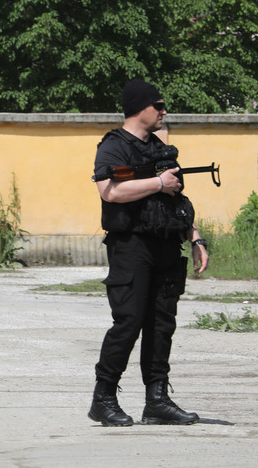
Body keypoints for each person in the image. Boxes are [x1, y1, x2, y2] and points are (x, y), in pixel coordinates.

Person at [88, 79, 208, 427]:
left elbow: (177, 199)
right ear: (140, 108)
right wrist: (157, 183)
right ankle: (103, 398)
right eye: (159, 105)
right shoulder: (113, 147)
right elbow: (109, 191)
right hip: (131, 246)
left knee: (161, 324)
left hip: (167, 244)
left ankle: (156, 399)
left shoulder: (160, 148)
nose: (164, 111)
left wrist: (195, 237)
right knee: (129, 322)